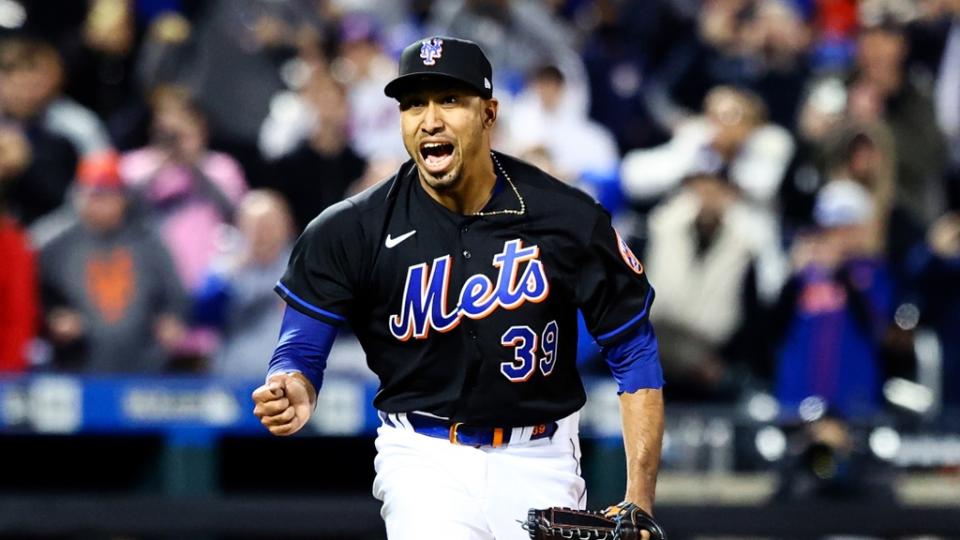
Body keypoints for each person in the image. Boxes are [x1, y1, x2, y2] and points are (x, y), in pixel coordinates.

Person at [252, 37, 665, 540]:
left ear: (489, 113)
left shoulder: (566, 217)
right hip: (423, 457)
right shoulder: (351, 229)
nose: (430, 119)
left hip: (542, 458)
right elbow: (300, 347)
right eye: (413, 104)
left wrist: (639, 499)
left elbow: (633, 346)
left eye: (449, 100)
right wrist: (292, 380)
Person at [37, 151, 188, 373]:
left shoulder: (148, 242)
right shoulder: (53, 244)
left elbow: (174, 293)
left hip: (143, 363)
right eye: (91, 195)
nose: (98, 205)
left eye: (107, 195)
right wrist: (52, 318)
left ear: (123, 198)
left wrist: (172, 318)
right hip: (76, 364)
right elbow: (35, 294)